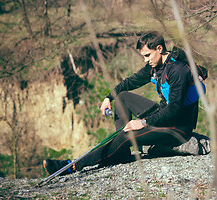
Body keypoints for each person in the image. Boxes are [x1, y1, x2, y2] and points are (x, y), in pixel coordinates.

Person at [43, 31, 206, 175]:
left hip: (177, 128)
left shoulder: (177, 70)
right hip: (164, 116)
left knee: (127, 134)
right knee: (122, 97)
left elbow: (174, 110)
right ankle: (120, 153)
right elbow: (131, 82)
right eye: (143, 56)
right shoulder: (155, 66)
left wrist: (142, 123)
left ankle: (72, 166)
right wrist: (108, 97)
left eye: (147, 55)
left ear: (159, 49)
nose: (145, 60)